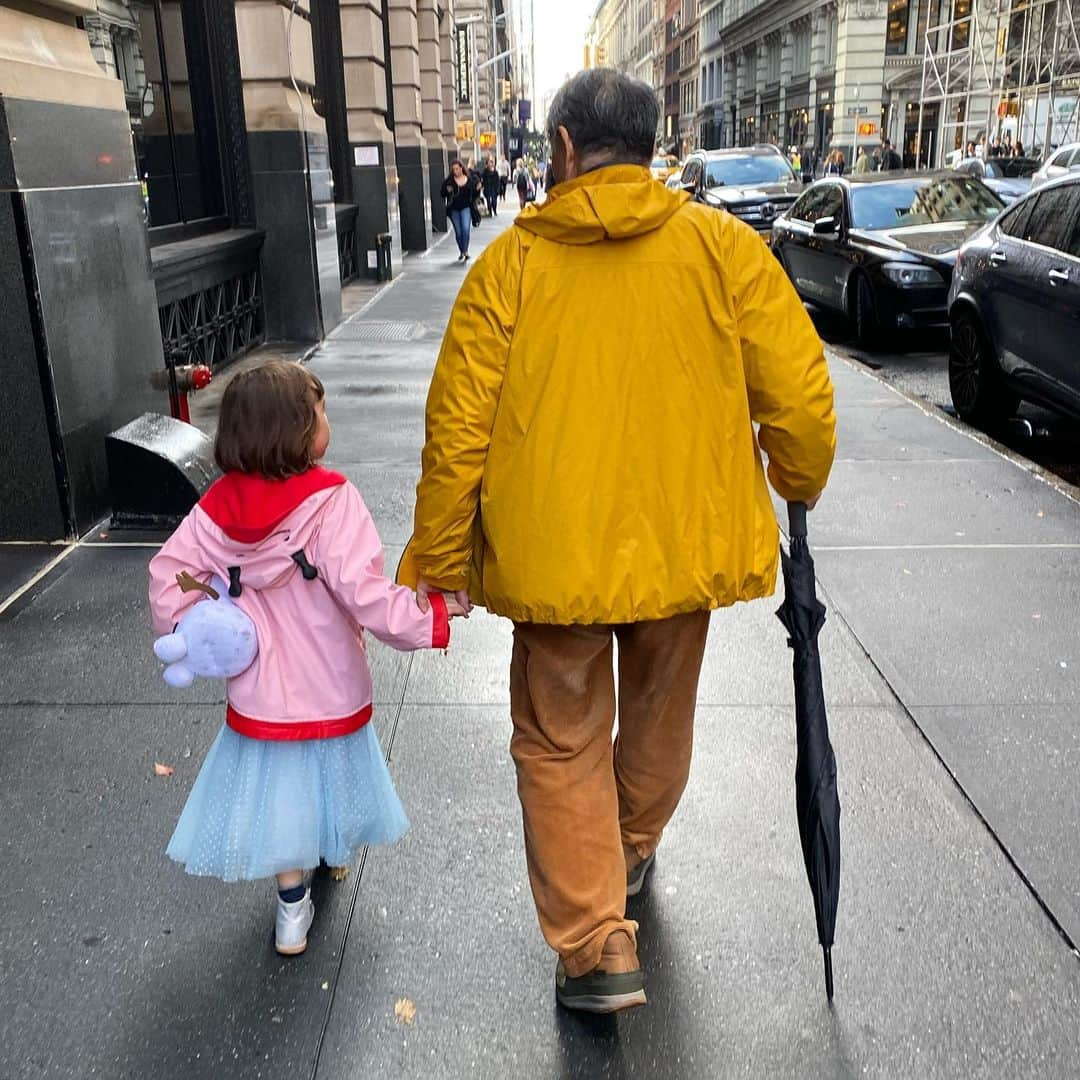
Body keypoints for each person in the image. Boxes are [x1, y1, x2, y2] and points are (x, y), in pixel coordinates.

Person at [399, 67, 835, 1014]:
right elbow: (798, 395)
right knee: (661, 712)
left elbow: (458, 429)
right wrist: (795, 478)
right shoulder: (723, 250)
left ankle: (598, 946)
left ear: (561, 151)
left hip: (553, 555)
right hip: (684, 544)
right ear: (650, 146)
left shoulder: (510, 268)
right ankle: (631, 850)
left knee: (560, 739)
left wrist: (439, 558)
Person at [148, 362, 461, 957]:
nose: (327, 420)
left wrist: (203, 611)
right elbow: (364, 593)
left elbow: (174, 576)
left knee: (280, 792)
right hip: (330, 680)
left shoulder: (214, 508)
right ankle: (334, 852)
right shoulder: (333, 500)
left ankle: (292, 910)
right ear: (295, 430)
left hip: (261, 689)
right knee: (330, 771)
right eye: (320, 411)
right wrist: (434, 616)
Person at [441, 159, 481, 261]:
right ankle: (461, 250)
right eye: (454, 169)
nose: (456, 171)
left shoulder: (469, 179)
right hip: (454, 209)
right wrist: (447, 190)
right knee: (458, 232)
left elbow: (475, 193)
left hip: (466, 207)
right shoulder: (449, 181)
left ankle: (466, 251)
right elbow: (442, 193)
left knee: (465, 229)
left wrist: (478, 189)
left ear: (462, 168)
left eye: (457, 169)